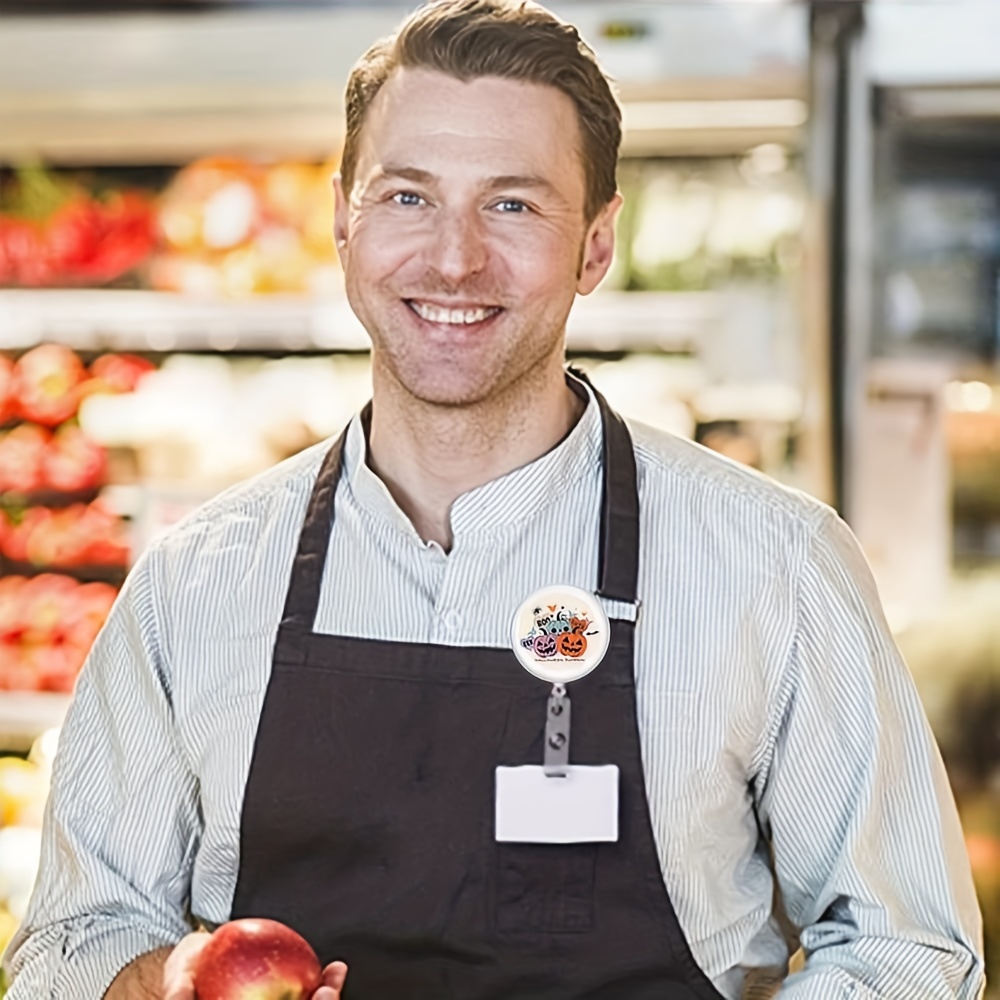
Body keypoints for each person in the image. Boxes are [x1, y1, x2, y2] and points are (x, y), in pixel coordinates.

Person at [4, 1, 986, 998]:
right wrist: (156, 979)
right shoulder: (195, 581)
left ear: (596, 245)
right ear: (343, 220)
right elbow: (69, 942)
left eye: (511, 204)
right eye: (407, 198)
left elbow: (906, 948)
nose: (453, 258)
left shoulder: (774, 563)